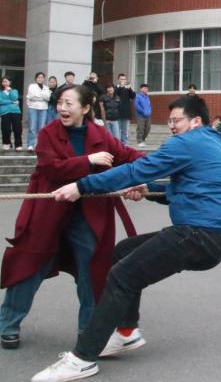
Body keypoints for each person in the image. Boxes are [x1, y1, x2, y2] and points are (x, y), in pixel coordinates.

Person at [31, 94, 221, 382]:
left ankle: (82, 359)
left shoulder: (189, 142)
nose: (171, 126)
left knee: (122, 276)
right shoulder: (211, 143)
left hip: (199, 233)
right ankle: (127, 332)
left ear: (195, 121)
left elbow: (135, 169)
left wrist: (81, 186)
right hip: (211, 235)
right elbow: (187, 190)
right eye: (169, 121)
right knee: (123, 252)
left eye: (176, 120)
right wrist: (149, 189)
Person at [0, 84, 142, 351]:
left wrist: (152, 172)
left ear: (85, 108)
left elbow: (128, 157)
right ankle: (7, 324)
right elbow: (51, 168)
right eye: (60, 103)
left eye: (68, 103)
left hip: (88, 217)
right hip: (48, 214)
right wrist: (89, 161)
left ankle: (88, 334)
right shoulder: (47, 133)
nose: (62, 108)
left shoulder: (101, 134)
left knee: (92, 273)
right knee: (29, 267)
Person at [25, 72, 50, 151]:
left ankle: (40, 145)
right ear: (36, 78)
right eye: (39, 77)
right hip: (33, 108)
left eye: (42, 77)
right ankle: (30, 144)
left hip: (43, 109)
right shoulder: (32, 86)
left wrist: (39, 96)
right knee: (32, 127)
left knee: (41, 128)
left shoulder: (46, 87)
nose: (40, 79)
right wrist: (42, 97)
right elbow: (32, 96)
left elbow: (48, 98)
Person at [0, 76, 24, 150]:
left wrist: (10, 91)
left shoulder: (14, 91)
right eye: (3, 81)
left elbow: (15, 98)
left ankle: (18, 144)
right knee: (6, 128)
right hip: (4, 112)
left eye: (6, 81)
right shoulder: (0, 92)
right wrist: (11, 102)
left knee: (17, 128)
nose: (4, 83)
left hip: (15, 111)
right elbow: (1, 101)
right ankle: (7, 143)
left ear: (10, 82)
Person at [113, 74, 136, 146]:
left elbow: (133, 96)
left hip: (126, 113)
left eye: (124, 79)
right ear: (118, 80)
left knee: (125, 131)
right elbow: (115, 95)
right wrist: (121, 87)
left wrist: (130, 88)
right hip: (117, 113)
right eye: (121, 79)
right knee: (117, 131)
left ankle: (125, 145)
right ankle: (118, 145)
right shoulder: (115, 88)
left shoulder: (127, 88)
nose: (123, 80)